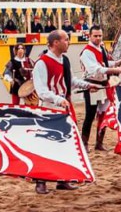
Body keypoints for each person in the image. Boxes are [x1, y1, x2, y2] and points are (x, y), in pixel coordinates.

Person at [32, 30, 99, 194]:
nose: (69, 42)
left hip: (64, 107)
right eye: (66, 40)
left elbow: (69, 81)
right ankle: (40, 182)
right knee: (46, 145)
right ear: (56, 43)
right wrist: (57, 99)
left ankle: (62, 179)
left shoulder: (65, 60)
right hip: (49, 109)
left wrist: (87, 85)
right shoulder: (42, 63)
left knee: (66, 144)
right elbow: (41, 90)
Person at [80, 25, 121, 151]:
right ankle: (85, 143)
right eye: (95, 36)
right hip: (92, 85)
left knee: (103, 114)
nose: (98, 38)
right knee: (90, 114)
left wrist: (115, 63)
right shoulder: (86, 52)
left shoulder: (101, 49)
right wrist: (113, 69)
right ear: (90, 36)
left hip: (103, 85)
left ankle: (99, 143)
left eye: (100, 35)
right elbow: (94, 68)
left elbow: (103, 63)